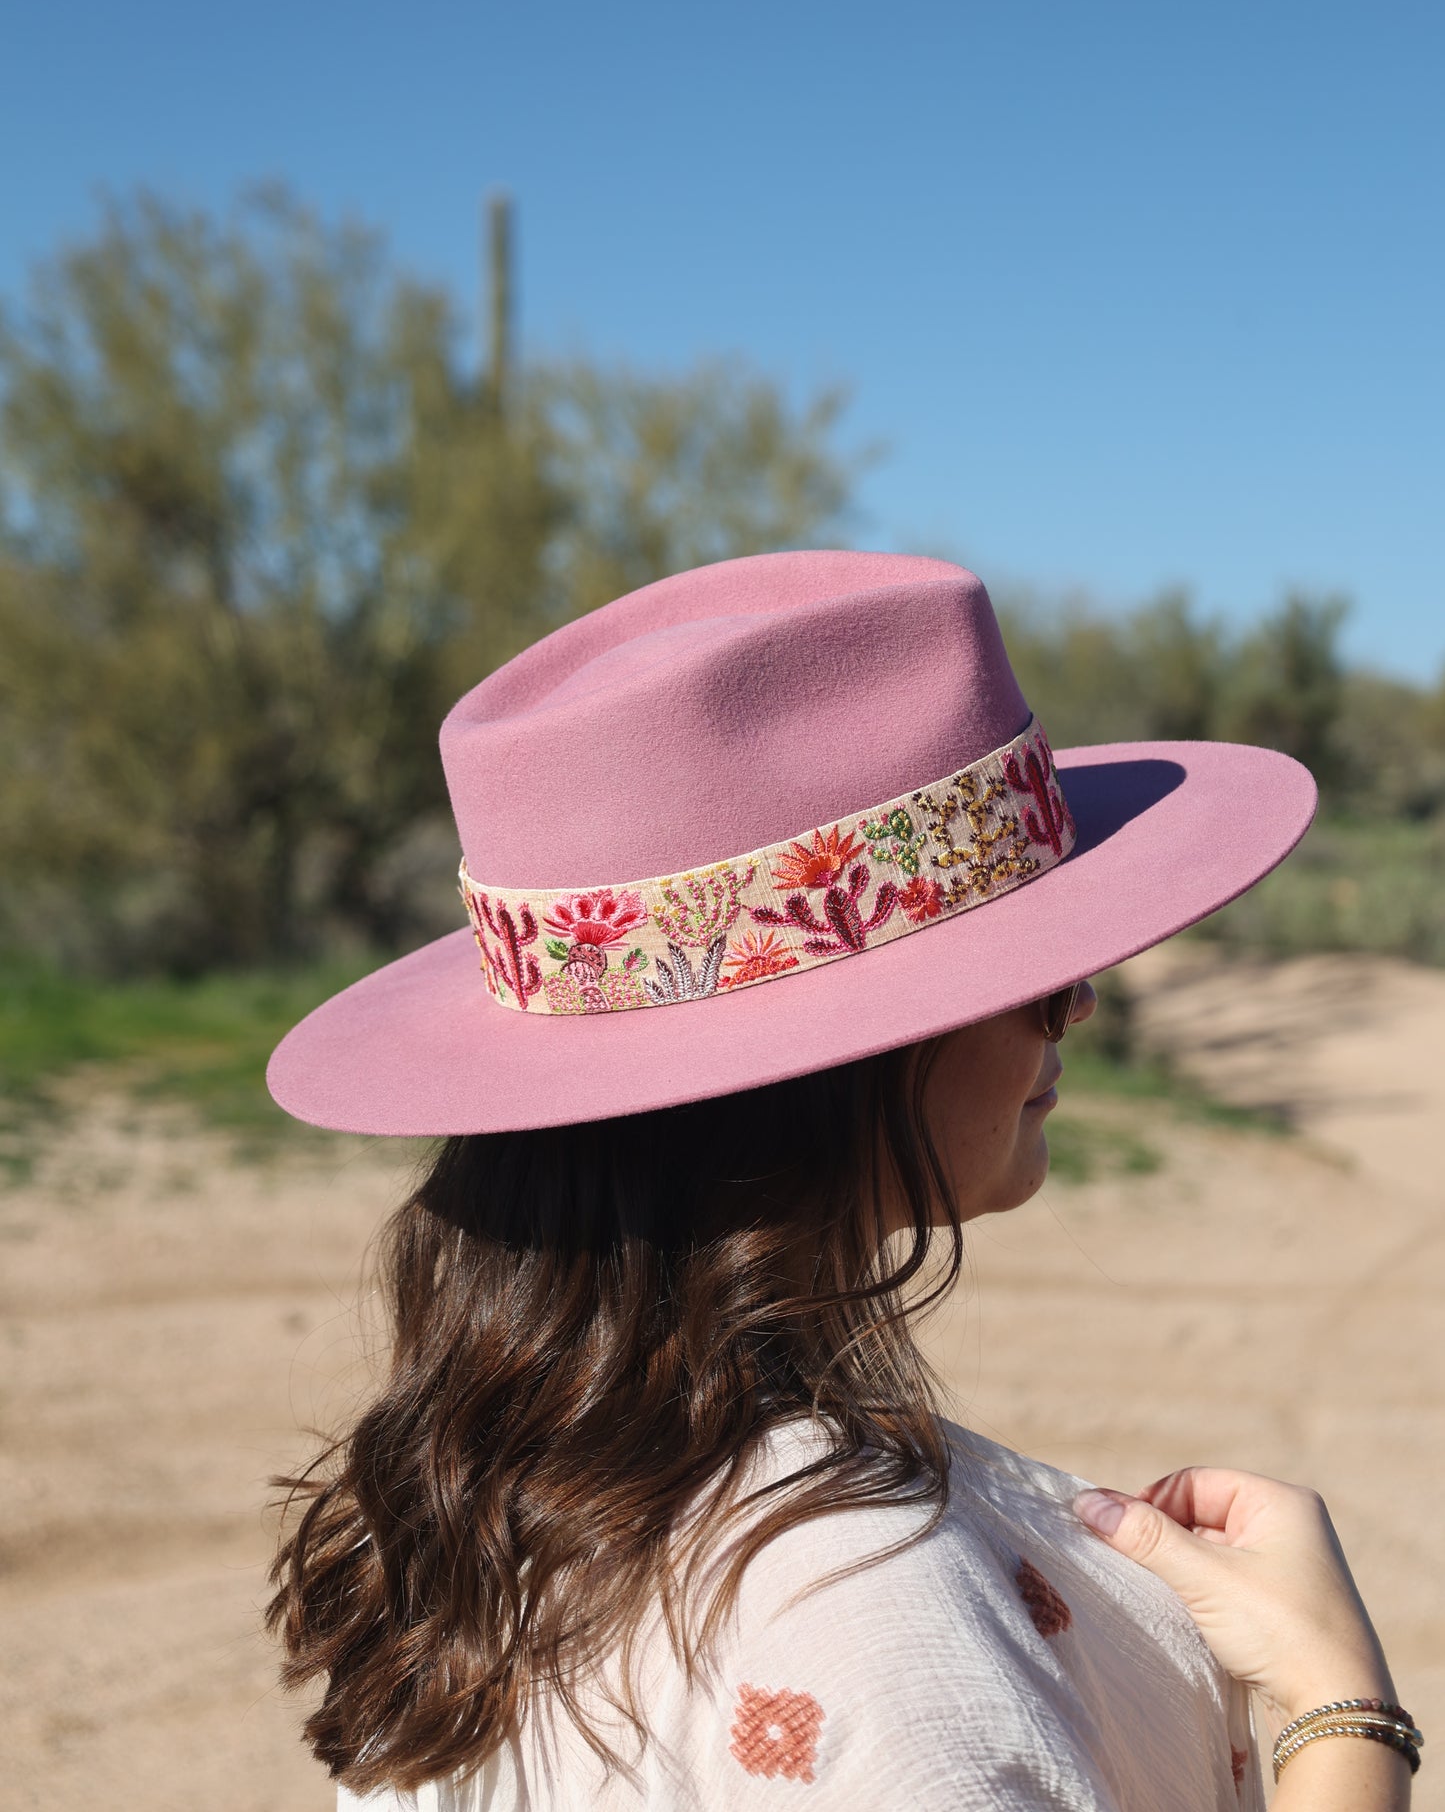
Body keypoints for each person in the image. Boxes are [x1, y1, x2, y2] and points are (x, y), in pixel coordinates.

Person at [265, 551, 1419, 1809]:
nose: (1077, 1002)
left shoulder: (497, 1511)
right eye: (1027, 967)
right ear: (835, 1063)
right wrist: (1336, 1708)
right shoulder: (867, 1617)